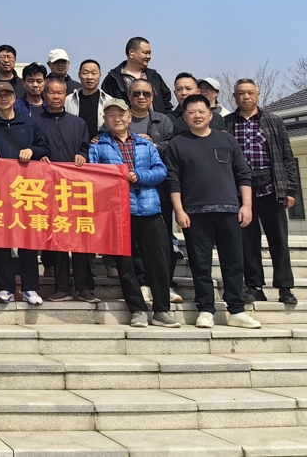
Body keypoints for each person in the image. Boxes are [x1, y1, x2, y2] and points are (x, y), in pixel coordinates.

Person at [166, 94, 260, 329]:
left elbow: (243, 174)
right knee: (200, 264)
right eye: (191, 112)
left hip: (229, 211)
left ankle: (236, 310)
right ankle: (206, 309)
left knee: (233, 262)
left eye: (201, 111)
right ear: (184, 117)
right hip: (195, 214)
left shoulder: (227, 140)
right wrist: (179, 211)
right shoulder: (177, 144)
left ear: (210, 115)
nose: (197, 116)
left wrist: (246, 205)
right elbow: (173, 181)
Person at [90, 101, 179, 328]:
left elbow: (161, 171)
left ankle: (161, 310)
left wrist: (139, 176)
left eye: (121, 114)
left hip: (150, 210)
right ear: (105, 119)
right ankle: (137, 309)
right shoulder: (98, 147)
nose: (117, 119)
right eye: (111, 115)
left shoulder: (145, 144)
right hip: (119, 213)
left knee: (158, 262)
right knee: (126, 265)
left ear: (130, 117)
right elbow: (94, 177)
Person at [225, 79, 298, 306]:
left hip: (271, 187)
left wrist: (290, 189)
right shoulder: (227, 124)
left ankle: (285, 287)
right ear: (235, 97)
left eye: (250, 93)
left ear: (258, 94)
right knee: (248, 241)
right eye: (241, 93)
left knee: (279, 239)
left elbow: (287, 157)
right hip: (240, 190)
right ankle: (254, 286)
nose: (246, 97)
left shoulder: (274, 121)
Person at [0, 81, 50, 305]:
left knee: (27, 241)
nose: (4, 98)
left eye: (7, 94)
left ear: (14, 97)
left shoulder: (29, 123)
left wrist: (32, 150)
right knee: (1, 242)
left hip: (25, 190)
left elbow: (45, 148)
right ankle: (5, 288)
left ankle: (30, 288)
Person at [34, 78, 96, 303]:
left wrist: (83, 155)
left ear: (65, 96)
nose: (56, 97)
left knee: (81, 239)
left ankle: (85, 287)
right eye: (52, 92)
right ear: (44, 95)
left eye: (60, 93)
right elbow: (33, 148)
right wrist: (39, 156)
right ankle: (62, 288)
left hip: (75, 188)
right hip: (49, 189)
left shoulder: (78, 123)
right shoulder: (35, 122)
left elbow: (86, 147)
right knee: (58, 239)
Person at [126, 79, 182, 301]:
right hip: (128, 193)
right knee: (135, 242)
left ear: (153, 97)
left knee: (162, 241)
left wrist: (153, 145)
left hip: (158, 190)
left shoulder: (163, 121)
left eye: (146, 94)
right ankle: (142, 282)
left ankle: (164, 283)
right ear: (129, 96)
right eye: (136, 93)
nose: (141, 97)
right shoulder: (121, 118)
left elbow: (173, 146)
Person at [102, 37, 174, 115]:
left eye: (149, 53)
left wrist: (166, 119)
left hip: (155, 122)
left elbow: (166, 103)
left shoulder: (155, 77)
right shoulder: (113, 79)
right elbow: (105, 106)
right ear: (131, 53)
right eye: (145, 53)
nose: (148, 56)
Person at [66, 59, 116, 140]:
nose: (89, 77)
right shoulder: (69, 100)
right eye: (85, 73)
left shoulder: (109, 101)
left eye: (94, 73)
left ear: (100, 75)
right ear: (79, 75)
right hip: (75, 145)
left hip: (101, 145)